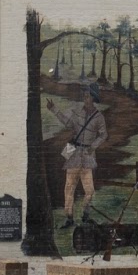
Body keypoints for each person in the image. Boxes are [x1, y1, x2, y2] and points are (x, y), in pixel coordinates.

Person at [47, 83, 106, 228]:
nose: (85, 98)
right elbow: (67, 123)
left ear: (93, 98)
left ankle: (85, 215)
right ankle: (69, 218)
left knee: (90, 191)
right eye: (84, 95)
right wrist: (54, 109)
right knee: (69, 188)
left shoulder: (99, 117)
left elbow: (104, 134)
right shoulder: (77, 111)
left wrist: (93, 147)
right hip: (73, 154)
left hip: (87, 157)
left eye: (87, 96)